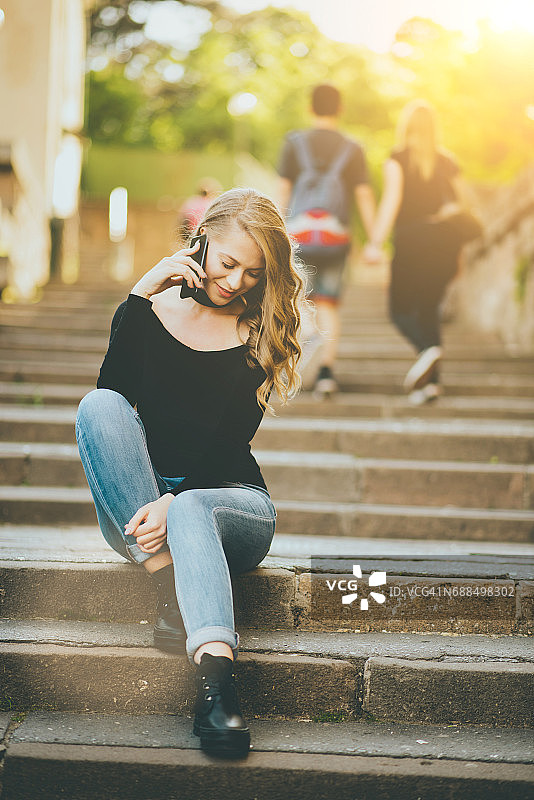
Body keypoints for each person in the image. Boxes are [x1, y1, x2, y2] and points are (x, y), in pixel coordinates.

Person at [75, 188, 307, 758]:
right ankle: (167, 582)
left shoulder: (258, 332)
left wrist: (175, 502)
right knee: (96, 407)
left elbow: (223, 443)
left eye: (254, 273)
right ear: (200, 237)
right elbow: (115, 409)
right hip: (139, 511)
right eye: (229, 264)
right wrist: (137, 295)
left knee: (194, 507)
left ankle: (218, 691)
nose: (236, 283)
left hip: (230, 506)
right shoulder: (148, 314)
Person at [364, 100, 480, 404]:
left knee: (399, 310)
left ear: (407, 126)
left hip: (412, 241)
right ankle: (432, 384)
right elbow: (465, 206)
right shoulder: (448, 161)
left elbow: (392, 200)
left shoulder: (398, 158)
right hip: (444, 242)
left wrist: (375, 242)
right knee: (429, 309)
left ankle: (426, 350)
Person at [278, 83, 375, 398]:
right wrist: (374, 240)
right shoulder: (353, 147)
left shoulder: (294, 143)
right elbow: (363, 195)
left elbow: (282, 191)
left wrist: (275, 232)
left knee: (298, 300)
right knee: (329, 305)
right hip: (336, 237)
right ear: (340, 109)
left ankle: (303, 349)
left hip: (298, 234)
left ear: (311, 107)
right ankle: (326, 374)